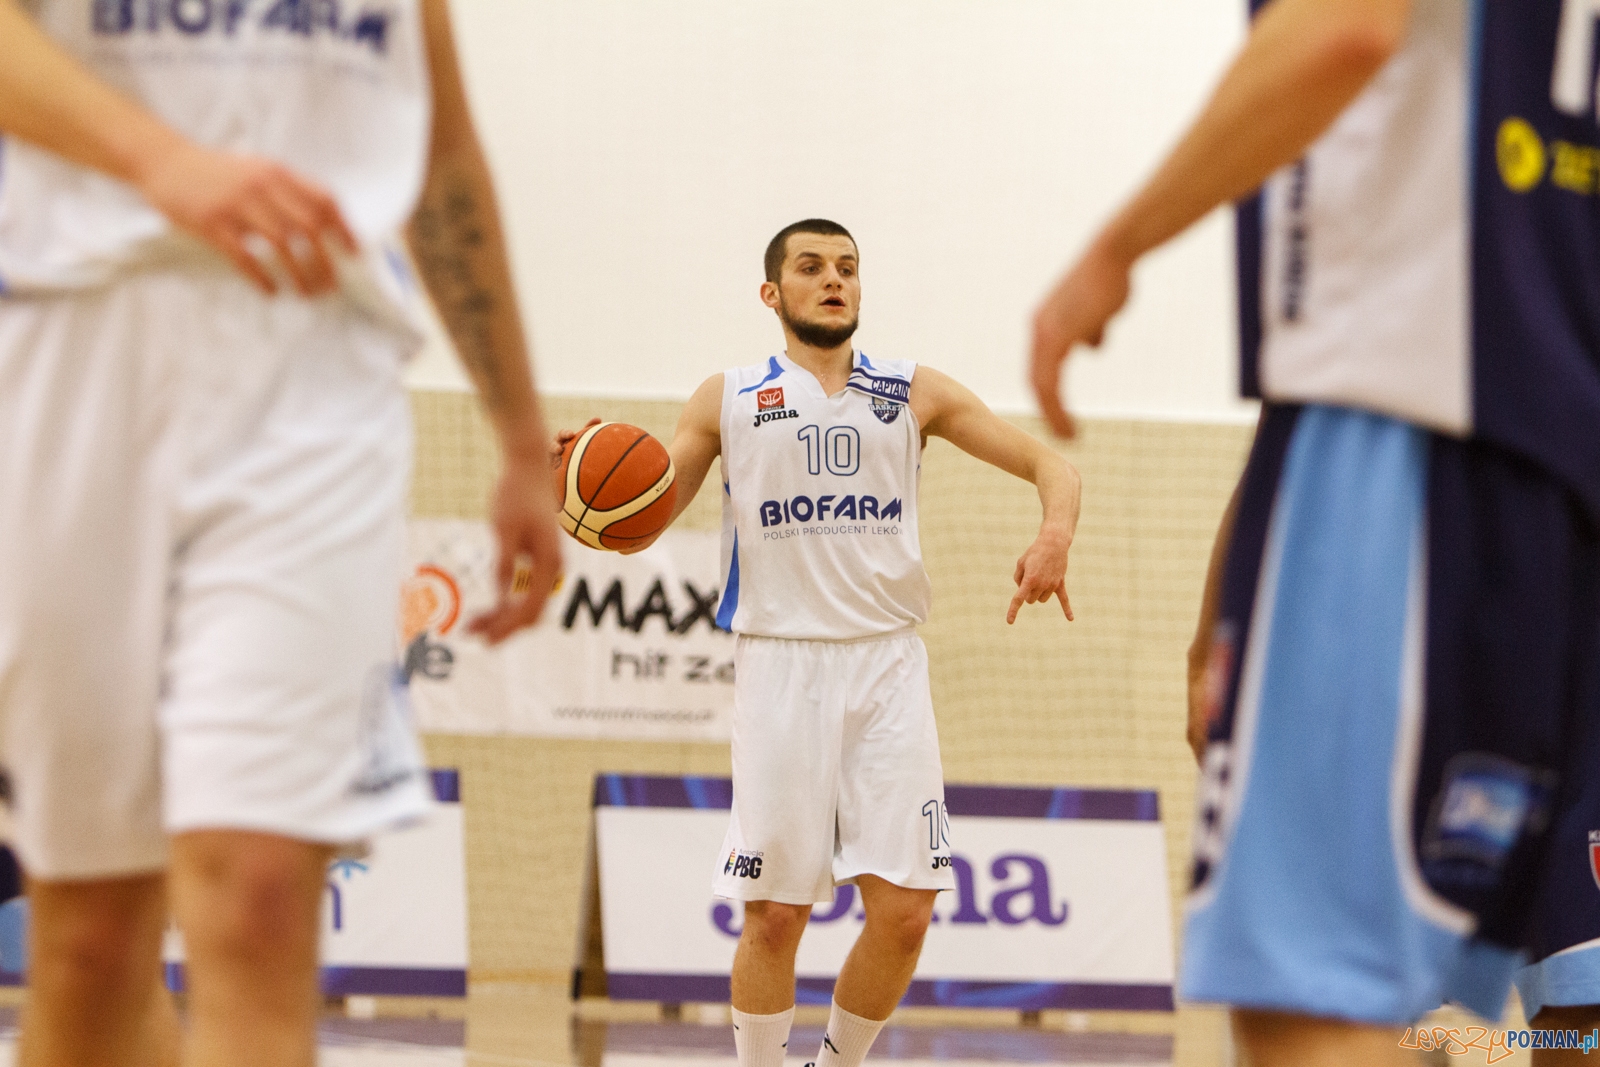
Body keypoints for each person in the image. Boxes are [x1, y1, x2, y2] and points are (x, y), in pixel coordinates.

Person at [1030, 0, 1600, 1064]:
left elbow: (1347, 26)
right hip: (1548, 462)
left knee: (1311, 1000)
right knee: (1506, 990)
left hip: (1406, 435)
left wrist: (1116, 245)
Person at [0, 1, 562, 1064]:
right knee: (88, 938)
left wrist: (522, 438)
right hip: (71, 342)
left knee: (258, 895)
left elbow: (439, 151)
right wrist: (162, 160)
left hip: (312, 374)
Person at [560, 218, 1079, 1067]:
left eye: (847, 267)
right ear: (774, 294)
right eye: (811, 267)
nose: (834, 279)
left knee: (908, 910)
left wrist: (1054, 534)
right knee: (774, 913)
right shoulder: (725, 397)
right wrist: (583, 486)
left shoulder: (912, 391)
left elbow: (1057, 466)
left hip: (888, 665)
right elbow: (643, 517)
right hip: (780, 667)